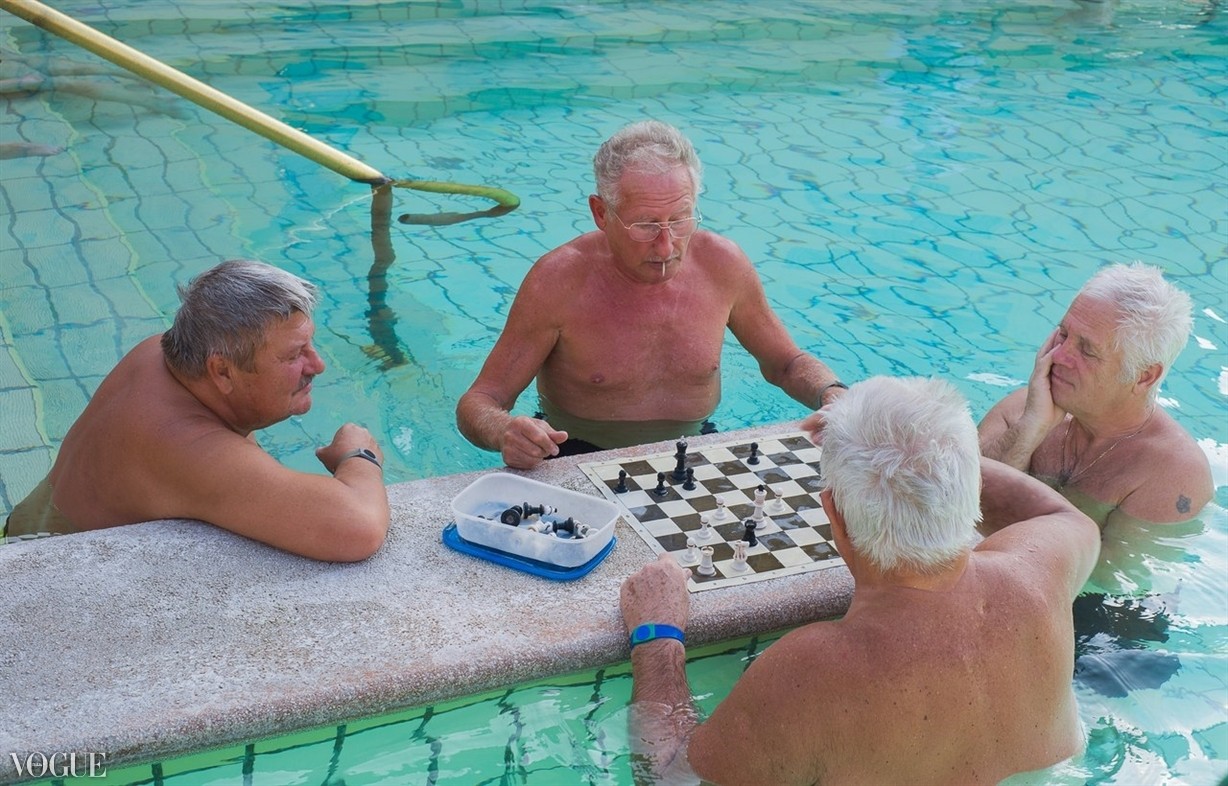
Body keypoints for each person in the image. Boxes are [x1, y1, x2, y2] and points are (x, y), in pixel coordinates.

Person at [619, 376, 1100, 785]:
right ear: (972, 483)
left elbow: (669, 777)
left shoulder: (813, 670)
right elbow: (1065, 514)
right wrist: (940, 456)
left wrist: (657, 636)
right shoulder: (1042, 572)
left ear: (836, 515)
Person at [456, 120, 846, 469]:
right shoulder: (557, 282)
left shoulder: (722, 264)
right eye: (645, 225)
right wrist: (505, 431)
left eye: (680, 220)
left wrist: (834, 394)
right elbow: (479, 402)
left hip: (694, 445)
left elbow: (786, 363)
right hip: (576, 454)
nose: (666, 247)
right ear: (601, 213)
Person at [3, 260, 389, 562]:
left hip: (22, 530)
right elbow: (359, 527)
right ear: (221, 371)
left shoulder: (158, 352)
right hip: (46, 567)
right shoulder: (188, 448)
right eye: (294, 355)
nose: (317, 365)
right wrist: (358, 456)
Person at [979, 262, 1213, 528]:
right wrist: (1028, 429)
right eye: (1063, 334)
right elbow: (950, 511)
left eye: (1087, 350)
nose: (1058, 355)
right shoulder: (1023, 409)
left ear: (1144, 376)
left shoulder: (1172, 476)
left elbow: (1106, 570)